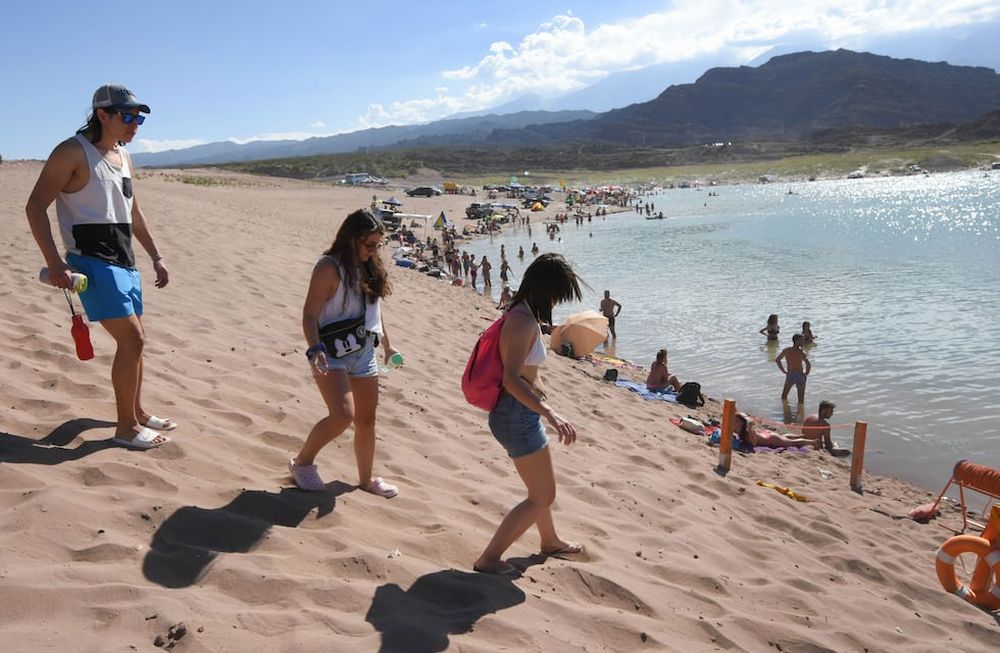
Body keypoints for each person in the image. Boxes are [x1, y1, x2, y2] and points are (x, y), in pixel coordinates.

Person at [25, 83, 173, 450]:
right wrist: (54, 262)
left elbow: (133, 212)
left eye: (138, 118)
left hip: (125, 260)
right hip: (91, 261)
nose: (134, 124)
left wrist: (156, 256)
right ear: (102, 115)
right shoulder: (72, 152)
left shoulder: (122, 155)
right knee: (132, 339)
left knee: (137, 341)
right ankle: (124, 430)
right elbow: (34, 207)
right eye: (127, 116)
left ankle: (136, 413)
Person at [474, 253, 584, 575]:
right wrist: (550, 413)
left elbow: (525, 371)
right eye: (556, 294)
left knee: (540, 490)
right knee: (543, 495)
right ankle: (489, 559)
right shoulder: (522, 321)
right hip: (516, 414)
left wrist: (540, 393)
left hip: (522, 412)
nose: (556, 301)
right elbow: (510, 379)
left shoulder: (524, 315)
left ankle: (549, 540)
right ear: (543, 288)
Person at [289, 209, 401, 497]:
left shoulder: (369, 267)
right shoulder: (328, 268)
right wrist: (314, 350)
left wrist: (388, 346)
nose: (374, 251)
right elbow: (310, 315)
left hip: (363, 351)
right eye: (369, 245)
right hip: (330, 351)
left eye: (378, 245)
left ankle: (365, 479)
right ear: (351, 239)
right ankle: (302, 462)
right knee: (342, 415)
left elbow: (373, 312)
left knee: (367, 419)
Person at [734, 413, 819, 450]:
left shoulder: (747, 432)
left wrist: (750, 426)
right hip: (767, 434)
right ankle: (801, 436)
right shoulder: (740, 429)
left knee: (793, 443)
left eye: (737, 421)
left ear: (741, 423)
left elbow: (754, 443)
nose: (735, 423)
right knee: (784, 437)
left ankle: (813, 442)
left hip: (770, 439)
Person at [776, 334, 811, 403]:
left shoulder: (787, 350)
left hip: (791, 374)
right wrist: (806, 373)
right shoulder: (801, 352)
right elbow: (808, 364)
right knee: (801, 399)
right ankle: (800, 412)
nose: (804, 341)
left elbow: (778, 360)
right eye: (802, 340)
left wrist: (783, 370)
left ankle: (785, 409)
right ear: (797, 341)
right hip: (800, 375)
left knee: (784, 396)